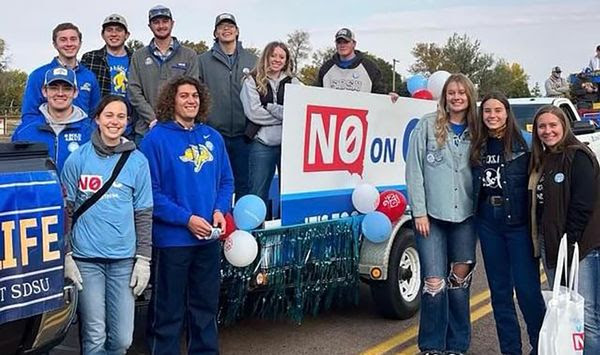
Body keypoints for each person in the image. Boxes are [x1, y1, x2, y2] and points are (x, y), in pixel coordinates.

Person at [140, 76, 234, 354]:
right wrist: (186, 219)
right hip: (173, 241)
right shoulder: (155, 139)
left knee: (205, 308)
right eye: (184, 95)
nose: (191, 100)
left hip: (207, 240)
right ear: (172, 100)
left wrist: (220, 210)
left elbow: (226, 181)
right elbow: (151, 193)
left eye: (195, 95)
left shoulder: (212, 137)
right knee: (168, 311)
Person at [61, 95, 153, 354]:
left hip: (123, 261)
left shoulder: (138, 162)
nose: (115, 121)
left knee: (123, 339)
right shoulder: (77, 160)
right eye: (109, 115)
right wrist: (66, 254)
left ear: (127, 122)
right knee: (94, 335)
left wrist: (143, 259)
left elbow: (144, 213)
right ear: (97, 119)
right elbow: (65, 211)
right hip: (86, 260)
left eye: (121, 116)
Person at [406, 73, 478, 355]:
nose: (457, 97)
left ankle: (457, 345)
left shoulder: (477, 129)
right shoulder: (427, 125)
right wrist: (419, 212)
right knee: (434, 283)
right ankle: (432, 346)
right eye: (451, 92)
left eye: (462, 92)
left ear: (469, 96)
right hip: (431, 218)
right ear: (444, 96)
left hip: (466, 217)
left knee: (458, 284)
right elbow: (414, 171)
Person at [469, 92, 545, 355]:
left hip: (519, 224)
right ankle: (510, 350)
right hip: (489, 222)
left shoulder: (525, 145)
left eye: (497, 110)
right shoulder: (476, 145)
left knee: (528, 292)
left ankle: (540, 347)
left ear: (506, 112)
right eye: (487, 111)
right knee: (500, 295)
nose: (492, 116)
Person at [529, 105, 600, 355]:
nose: (547, 131)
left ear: (564, 126)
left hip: (581, 248)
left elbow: (583, 204)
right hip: (553, 246)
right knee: (566, 312)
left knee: (586, 317)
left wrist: (570, 243)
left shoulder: (578, 156)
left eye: (552, 125)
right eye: (542, 127)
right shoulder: (541, 159)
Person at [198, 12, 257, 200]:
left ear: (237, 31)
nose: (226, 29)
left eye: (230, 26)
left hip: (245, 136)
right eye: (222, 26)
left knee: (245, 186)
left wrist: (252, 127)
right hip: (214, 135)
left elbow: (262, 93)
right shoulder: (202, 61)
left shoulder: (253, 60)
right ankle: (216, 227)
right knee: (215, 185)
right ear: (215, 33)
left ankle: (246, 228)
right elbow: (196, 95)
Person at [240, 41, 300, 214]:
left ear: (286, 60)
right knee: (258, 193)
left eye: (282, 57)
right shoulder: (251, 80)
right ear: (266, 56)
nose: (277, 60)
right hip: (261, 143)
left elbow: (298, 111)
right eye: (273, 55)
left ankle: (285, 233)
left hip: (287, 145)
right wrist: (284, 116)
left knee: (288, 193)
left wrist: (273, 108)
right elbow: (253, 113)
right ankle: (256, 235)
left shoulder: (293, 82)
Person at [128, 5, 199, 141]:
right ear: (150, 26)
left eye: (165, 21)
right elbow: (133, 91)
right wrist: (152, 118)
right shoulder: (138, 56)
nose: (161, 26)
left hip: (180, 130)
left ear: (172, 23)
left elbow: (191, 92)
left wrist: (175, 120)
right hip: (147, 130)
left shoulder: (189, 55)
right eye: (156, 22)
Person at [12, 67, 93, 174]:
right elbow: (14, 172)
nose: (60, 93)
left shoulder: (90, 131)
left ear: (75, 92)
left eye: (67, 88)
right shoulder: (24, 131)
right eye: (54, 88)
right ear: (44, 91)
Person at [21, 22, 101, 120]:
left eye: (73, 39)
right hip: (49, 133)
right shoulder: (38, 75)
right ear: (55, 44)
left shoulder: (89, 77)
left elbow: (95, 114)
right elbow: (29, 114)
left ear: (80, 43)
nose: (69, 44)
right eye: (63, 40)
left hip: (81, 134)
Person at [317, 28, 399, 102]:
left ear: (354, 44)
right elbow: (315, 93)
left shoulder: (370, 68)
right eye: (339, 42)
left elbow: (380, 93)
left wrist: (389, 97)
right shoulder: (326, 68)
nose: (342, 45)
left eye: (346, 42)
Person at [81, 14, 132, 98]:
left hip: (130, 110)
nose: (114, 34)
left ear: (127, 35)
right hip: (99, 110)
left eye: (118, 30)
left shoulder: (137, 60)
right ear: (102, 34)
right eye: (109, 30)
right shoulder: (90, 58)